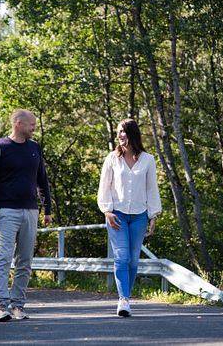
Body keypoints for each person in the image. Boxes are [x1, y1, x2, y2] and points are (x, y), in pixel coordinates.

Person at [0, 109, 53, 322]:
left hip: (30, 211)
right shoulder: (0, 148)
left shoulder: (34, 148)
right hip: (6, 211)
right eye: (31, 124)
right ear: (18, 123)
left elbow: (42, 178)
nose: (34, 127)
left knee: (24, 261)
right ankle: (0, 305)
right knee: (3, 257)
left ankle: (17, 306)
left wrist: (47, 208)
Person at [97, 118, 162, 317]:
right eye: (118, 132)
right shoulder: (112, 158)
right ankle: (123, 300)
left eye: (123, 131)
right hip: (117, 216)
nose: (120, 135)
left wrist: (153, 215)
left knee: (133, 261)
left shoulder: (148, 160)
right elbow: (104, 186)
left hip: (139, 216)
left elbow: (152, 189)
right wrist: (107, 211)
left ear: (132, 133)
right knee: (122, 257)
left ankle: (127, 295)